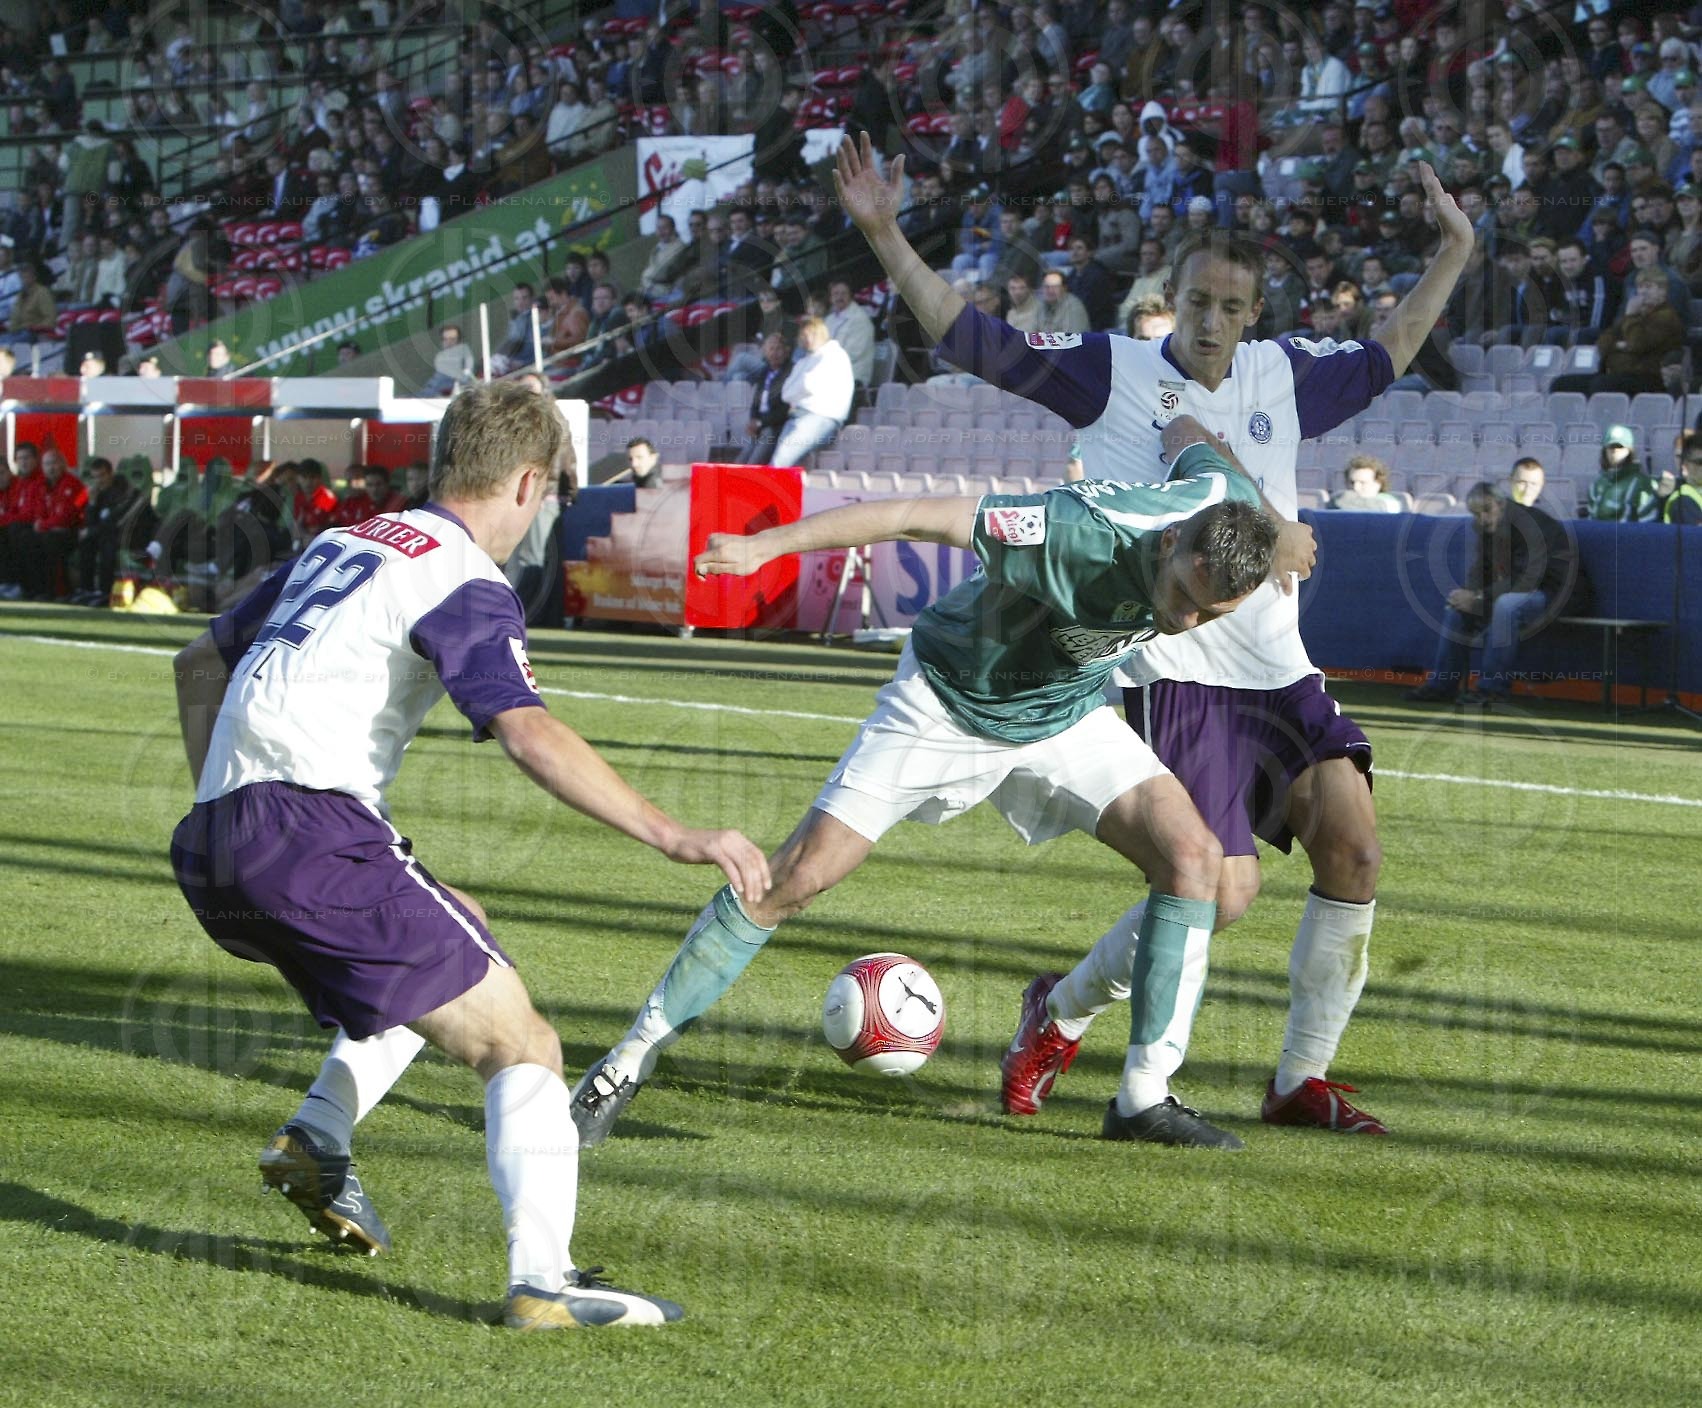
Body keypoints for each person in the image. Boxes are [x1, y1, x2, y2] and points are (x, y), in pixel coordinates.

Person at [841, 132, 1464, 1142]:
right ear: (1170, 297)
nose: (1211, 324)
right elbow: (971, 338)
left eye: (1231, 307)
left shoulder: (1282, 374)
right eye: (1198, 302)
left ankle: (1297, 1080)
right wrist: (882, 231)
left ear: (1255, 315)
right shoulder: (1111, 371)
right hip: (1173, 664)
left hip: (1278, 664)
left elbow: (1389, 350)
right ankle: (1062, 1010)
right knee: (1220, 894)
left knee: (1353, 850)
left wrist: (1454, 254)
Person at [168, 383, 768, 1330]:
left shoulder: (347, 538)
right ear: (528, 482)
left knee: (463, 928)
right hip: (309, 837)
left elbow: (198, 661)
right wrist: (676, 833)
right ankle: (544, 1285)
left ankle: (320, 1134)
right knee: (521, 1042)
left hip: (209, 845)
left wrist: (223, 799)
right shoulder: (462, 576)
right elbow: (525, 730)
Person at [570, 410, 1283, 1148]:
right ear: (1169, 542)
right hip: (945, 702)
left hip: (1064, 712)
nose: (1187, 618)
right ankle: (627, 1060)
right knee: (793, 878)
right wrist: (764, 546)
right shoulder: (1070, 527)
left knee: (1195, 862)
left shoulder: (1222, 506)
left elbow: (1193, 436)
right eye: (1182, 598)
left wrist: (1262, 507)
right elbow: (914, 515)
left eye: (1210, 614)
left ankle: (1141, 1099)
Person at [1406, 481, 1580, 706]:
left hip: (1558, 594)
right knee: (1457, 610)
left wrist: (1479, 597)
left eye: (1486, 511)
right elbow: (1481, 569)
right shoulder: (1488, 527)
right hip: (1524, 591)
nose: (1482, 519)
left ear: (1500, 504)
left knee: (1506, 606)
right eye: (1476, 514)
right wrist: (1467, 595)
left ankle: (1492, 689)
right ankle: (1442, 685)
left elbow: (1527, 579)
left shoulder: (1533, 525)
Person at [769, 317, 853, 467]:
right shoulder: (804, 361)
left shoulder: (834, 355)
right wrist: (799, 390)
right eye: (803, 335)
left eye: (811, 334)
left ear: (821, 334)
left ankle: (768, 490)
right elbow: (785, 393)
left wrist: (797, 391)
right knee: (780, 459)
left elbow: (809, 385)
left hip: (821, 418)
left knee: (780, 460)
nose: (806, 338)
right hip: (798, 416)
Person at [1585, 425, 1662, 521]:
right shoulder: (1596, 485)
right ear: (1605, 451)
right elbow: (1591, 522)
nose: (1614, 451)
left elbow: (1647, 526)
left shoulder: (1642, 484)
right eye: (1611, 447)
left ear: (1629, 451)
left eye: (1619, 447)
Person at [741, 331, 792, 464]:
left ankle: (750, 476)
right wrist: (753, 420)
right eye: (771, 348)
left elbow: (786, 409)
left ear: (786, 351)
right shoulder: (765, 371)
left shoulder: (790, 372)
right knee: (741, 460)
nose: (774, 353)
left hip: (777, 425)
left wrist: (760, 423)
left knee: (766, 436)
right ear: (765, 351)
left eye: (778, 349)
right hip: (761, 425)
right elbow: (756, 401)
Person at [1331, 454, 1403, 512]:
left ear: (1378, 484)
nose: (1356, 487)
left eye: (1363, 483)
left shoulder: (1390, 503)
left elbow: (1377, 508)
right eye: (1352, 482)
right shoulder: (1337, 499)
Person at [423, 323, 476, 396]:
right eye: (445, 339)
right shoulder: (440, 357)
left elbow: (466, 377)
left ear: (459, 341)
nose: (449, 342)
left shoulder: (465, 356)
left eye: (452, 339)